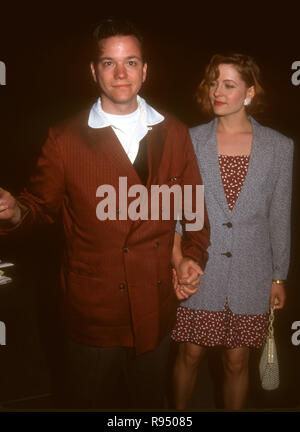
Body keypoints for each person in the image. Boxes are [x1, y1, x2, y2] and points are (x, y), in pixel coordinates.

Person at [0, 19, 210, 409]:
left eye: (130, 62)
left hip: (155, 307)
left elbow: (193, 207)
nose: (120, 73)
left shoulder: (175, 132)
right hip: (92, 312)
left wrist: (192, 257)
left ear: (145, 70)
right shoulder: (64, 138)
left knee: (148, 406)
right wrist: (13, 212)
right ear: (93, 71)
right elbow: (38, 208)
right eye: (109, 63)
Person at [171, 53, 294, 410]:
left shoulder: (280, 147)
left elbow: (279, 217)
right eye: (213, 83)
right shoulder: (189, 140)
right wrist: (177, 261)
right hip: (200, 267)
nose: (217, 92)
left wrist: (278, 278)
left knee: (237, 362)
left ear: (249, 92)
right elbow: (179, 212)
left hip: (251, 272)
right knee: (189, 354)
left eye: (228, 84)